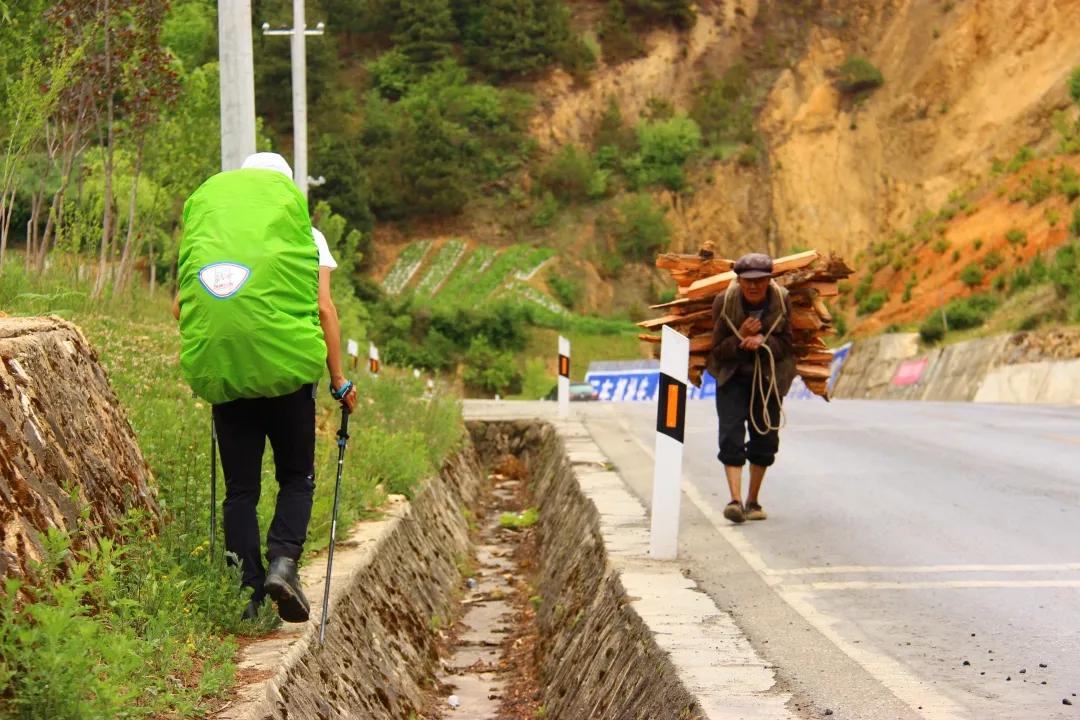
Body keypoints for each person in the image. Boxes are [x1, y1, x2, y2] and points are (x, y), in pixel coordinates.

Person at [173, 152, 357, 621]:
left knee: (240, 491)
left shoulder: (217, 236)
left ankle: (248, 596)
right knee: (296, 477)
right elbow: (324, 310)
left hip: (229, 375)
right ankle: (283, 562)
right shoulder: (306, 235)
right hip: (288, 378)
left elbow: (181, 308)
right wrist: (338, 380)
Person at [706, 252, 795, 524]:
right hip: (732, 377)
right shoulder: (725, 302)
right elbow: (717, 351)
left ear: (769, 279)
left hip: (768, 379)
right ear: (739, 280)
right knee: (731, 437)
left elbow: (788, 344)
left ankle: (753, 501)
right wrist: (740, 337)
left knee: (765, 440)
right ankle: (734, 501)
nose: (753, 286)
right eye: (747, 281)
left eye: (760, 280)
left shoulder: (782, 300)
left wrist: (762, 341)